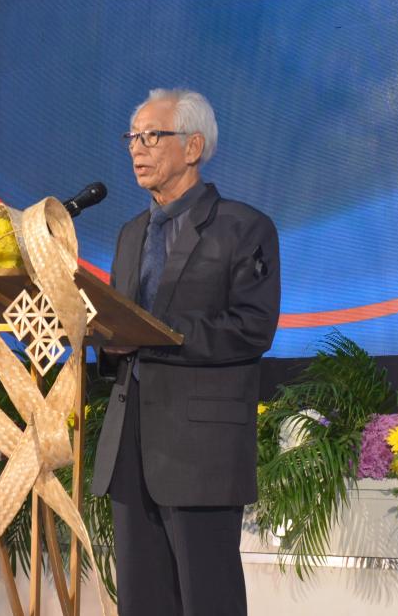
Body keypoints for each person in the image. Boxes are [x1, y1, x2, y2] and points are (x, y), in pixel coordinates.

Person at [91, 89, 281, 615]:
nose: (137, 148)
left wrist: (155, 332)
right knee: (141, 602)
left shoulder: (244, 227)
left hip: (201, 452)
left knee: (208, 601)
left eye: (152, 136)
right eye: (132, 137)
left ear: (193, 147)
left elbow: (252, 328)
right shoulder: (131, 233)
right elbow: (122, 332)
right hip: (131, 447)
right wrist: (103, 337)